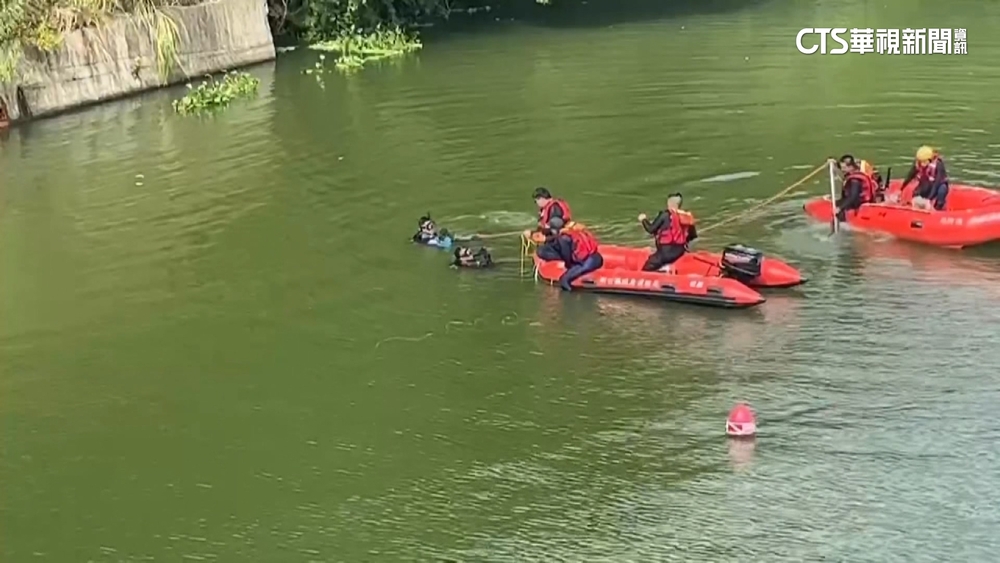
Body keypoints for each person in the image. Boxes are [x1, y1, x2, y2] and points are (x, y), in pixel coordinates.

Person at [535, 217, 603, 291]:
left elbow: (566, 255)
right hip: (597, 257)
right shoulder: (575, 230)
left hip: (587, 262)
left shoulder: (563, 238)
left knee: (564, 280)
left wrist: (568, 265)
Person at [637, 193, 697, 271]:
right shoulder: (686, 217)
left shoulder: (665, 215)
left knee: (646, 269)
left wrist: (643, 220)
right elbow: (693, 236)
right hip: (680, 252)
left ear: (669, 203)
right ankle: (666, 268)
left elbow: (650, 229)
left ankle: (663, 271)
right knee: (659, 259)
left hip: (665, 252)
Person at [901, 146, 948, 210]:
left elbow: (937, 183)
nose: (922, 164)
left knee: (942, 190)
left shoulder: (938, 165)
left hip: (938, 185)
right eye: (921, 162)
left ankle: (938, 208)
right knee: (916, 193)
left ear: (930, 160)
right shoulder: (918, 164)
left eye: (924, 162)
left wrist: (929, 198)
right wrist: (901, 188)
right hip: (926, 183)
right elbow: (910, 175)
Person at [834, 154, 879, 220]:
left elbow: (853, 197)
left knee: (839, 205)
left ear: (851, 167)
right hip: (865, 203)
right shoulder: (858, 172)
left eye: (844, 168)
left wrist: (840, 208)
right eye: (841, 168)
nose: (842, 170)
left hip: (859, 205)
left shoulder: (854, 180)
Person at [412, 214, 476, 249]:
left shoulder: (435, 233)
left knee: (471, 237)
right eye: (427, 227)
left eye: (431, 225)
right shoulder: (426, 240)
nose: (431, 228)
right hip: (448, 245)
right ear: (421, 230)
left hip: (447, 242)